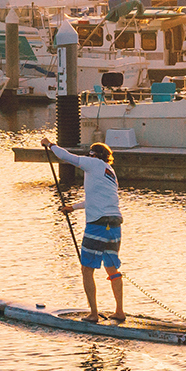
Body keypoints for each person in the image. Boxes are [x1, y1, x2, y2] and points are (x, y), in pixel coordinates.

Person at [41, 138, 125, 322]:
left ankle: (93, 314)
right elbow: (95, 200)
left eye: (90, 154)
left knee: (87, 269)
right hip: (114, 223)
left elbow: (67, 157)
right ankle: (119, 311)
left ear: (94, 155)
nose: (87, 157)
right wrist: (73, 207)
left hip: (98, 224)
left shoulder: (93, 163)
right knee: (111, 268)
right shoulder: (109, 172)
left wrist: (50, 145)